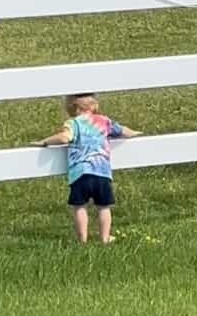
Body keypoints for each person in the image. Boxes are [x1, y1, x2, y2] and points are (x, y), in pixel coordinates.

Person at [35, 93, 141, 244]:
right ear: (94, 105)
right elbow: (123, 131)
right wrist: (136, 133)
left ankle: (82, 240)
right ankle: (105, 237)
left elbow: (64, 137)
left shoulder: (73, 123)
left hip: (80, 173)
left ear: (73, 107)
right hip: (102, 172)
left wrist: (45, 141)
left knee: (79, 207)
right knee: (104, 207)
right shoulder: (104, 121)